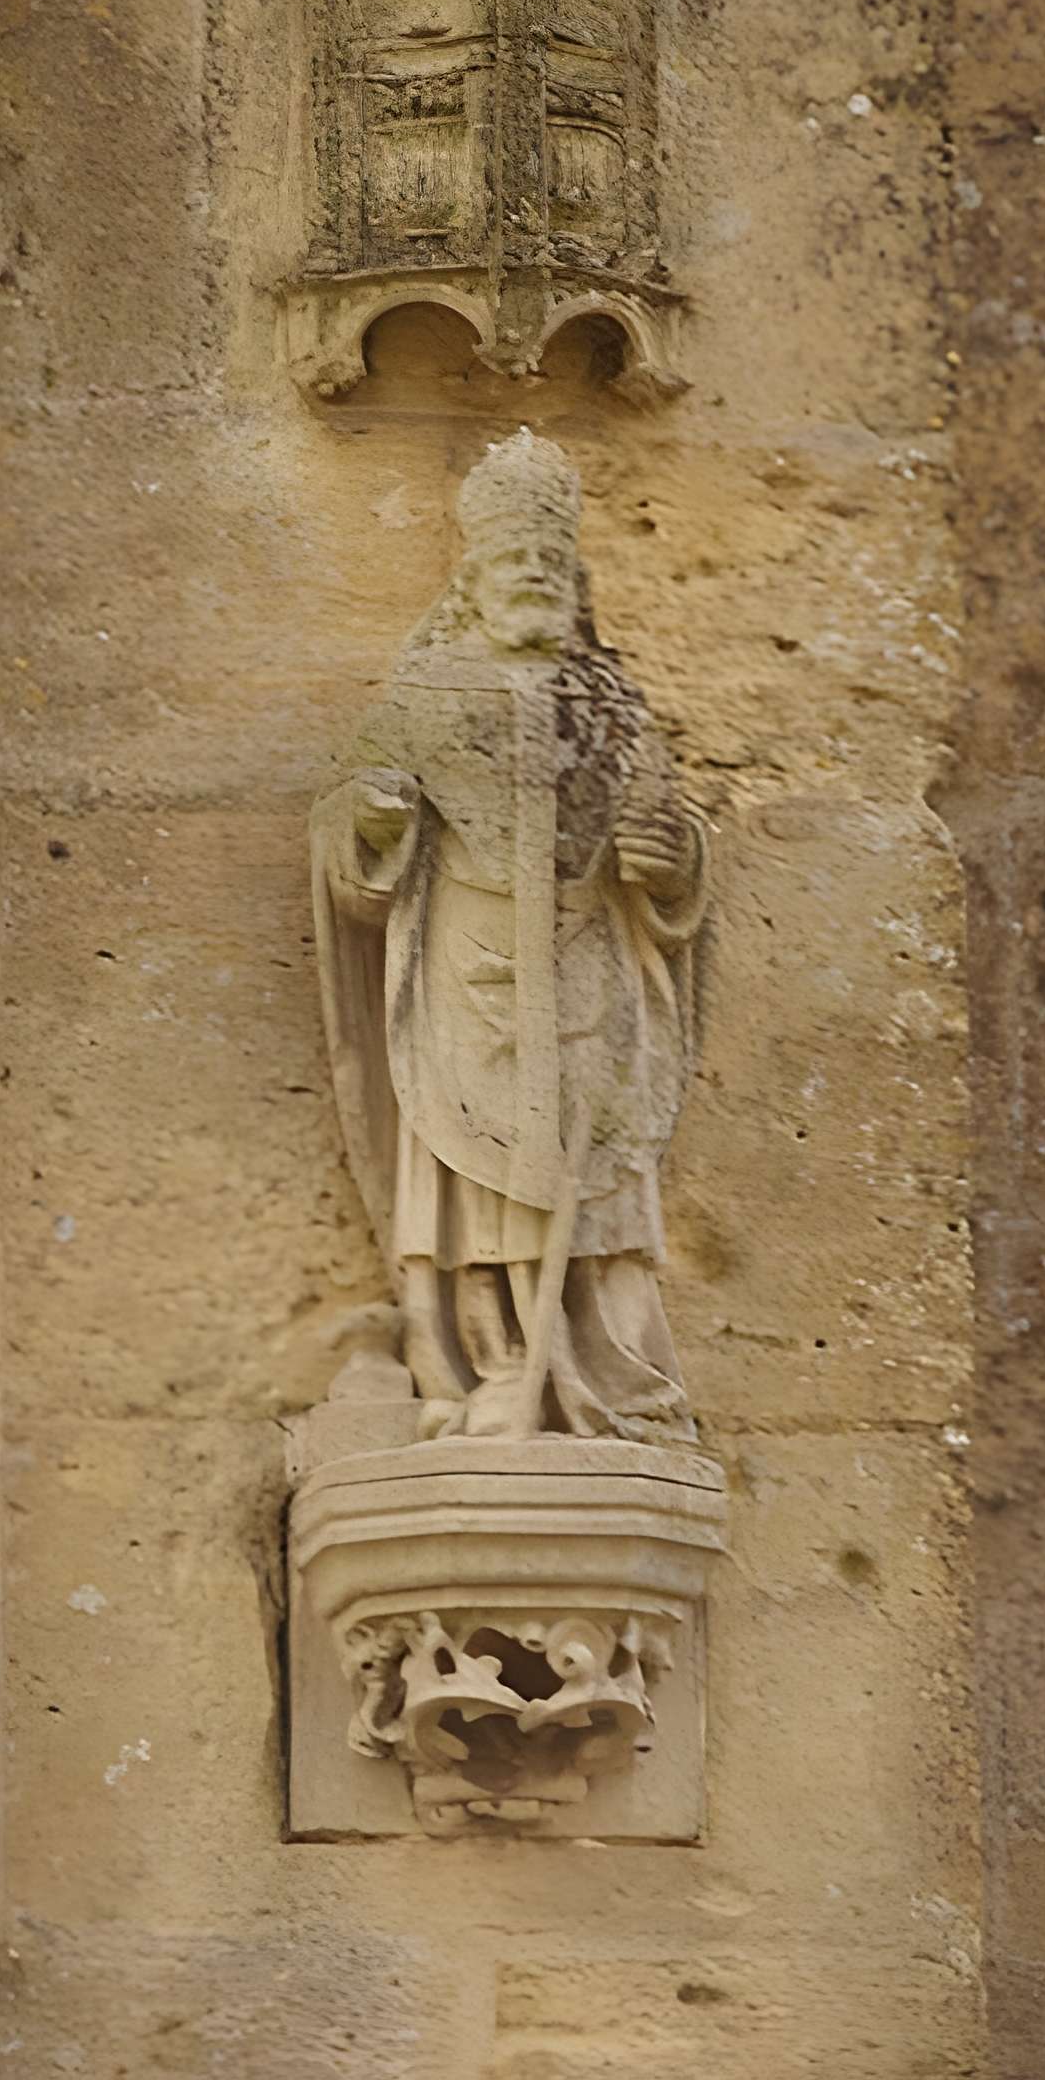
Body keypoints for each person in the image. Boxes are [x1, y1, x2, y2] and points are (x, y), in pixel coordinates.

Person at [312, 430, 706, 1439]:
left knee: (600, 1168)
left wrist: (674, 863)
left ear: (573, 581)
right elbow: (353, 822)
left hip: (587, 967)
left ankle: (612, 1373)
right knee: (474, 1170)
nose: (531, 575)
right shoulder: (425, 692)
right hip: (470, 967)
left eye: (547, 561)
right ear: (473, 578)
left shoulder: (614, 705)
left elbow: (666, 825)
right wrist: (375, 821)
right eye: (511, 560)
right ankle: (484, 1363)